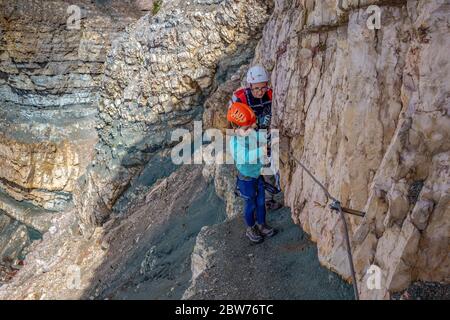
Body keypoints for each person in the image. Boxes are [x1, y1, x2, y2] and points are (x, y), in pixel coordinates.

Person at [229, 65, 282, 211]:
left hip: (265, 133)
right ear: (249, 86)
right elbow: (234, 119)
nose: (260, 92)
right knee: (251, 165)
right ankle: (246, 188)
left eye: (263, 88)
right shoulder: (239, 98)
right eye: (256, 88)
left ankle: (267, 199)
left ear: (267, 85)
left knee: (268, 167)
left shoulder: (271, 94)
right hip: (248, 136)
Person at [227, 102, 277, 244]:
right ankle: (251, 228)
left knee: (260, 202)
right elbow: (245, 157)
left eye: (252, 125)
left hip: (256, 174)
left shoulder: (249, 132)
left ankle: (261, 224)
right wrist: (261, 151)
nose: (252, 128)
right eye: (247, 127)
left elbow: (258, 139)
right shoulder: (235, 143)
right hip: (246, 178)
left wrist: (266, 142)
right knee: (251, 204)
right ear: (235, 128)